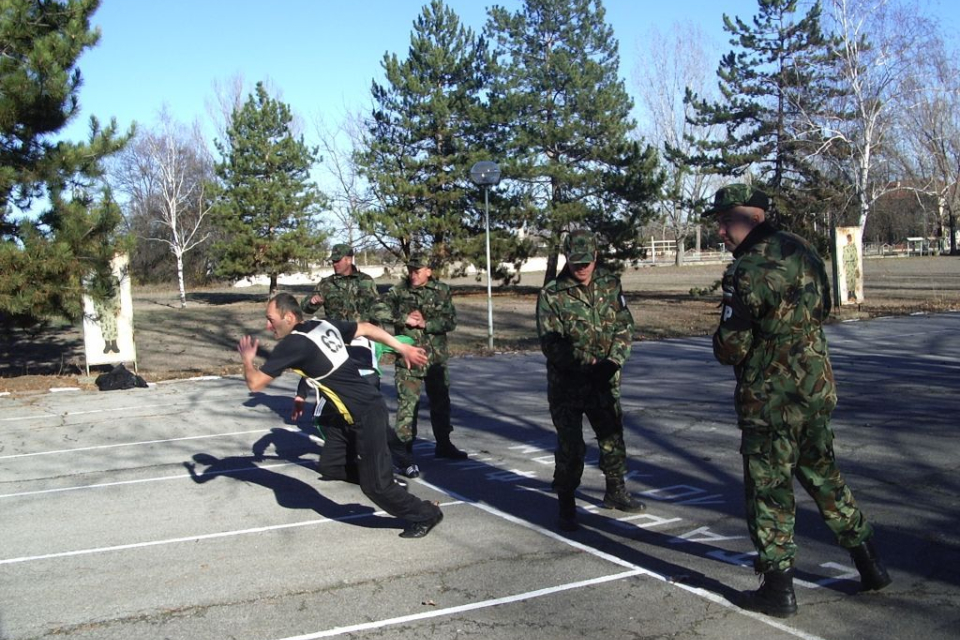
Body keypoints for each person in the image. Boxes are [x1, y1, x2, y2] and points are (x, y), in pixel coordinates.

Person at [706, 183, 891, 617]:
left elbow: (730, 347)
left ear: (748, 218)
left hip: (770, 400)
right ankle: (870, 565)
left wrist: (725, 339)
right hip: (813, 387)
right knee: (825, 477)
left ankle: (777, 589)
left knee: (770, 492)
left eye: (723, 222)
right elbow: (824, 307)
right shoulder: (803, 249)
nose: (720, 233)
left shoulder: (747, 269)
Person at [237, 292, 443, 538]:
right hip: (345, 414)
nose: (267, 326)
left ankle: (426, 514)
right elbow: (366, 328)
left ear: (289, 317)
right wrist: (401, 347)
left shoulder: (292, 344)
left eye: (271, 319)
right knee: (331, 465)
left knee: (375, 488)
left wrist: (248, 360)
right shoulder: (321, 324)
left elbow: (255, 383)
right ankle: (383, 479)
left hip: (365, 412)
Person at [535, 230, 646, 533]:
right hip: (567, 385)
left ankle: (616, 490)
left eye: (586, 261)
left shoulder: (610, 284)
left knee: (612, 438)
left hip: (604, 381)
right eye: (575, 262)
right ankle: (566, 503)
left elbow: (625, 325)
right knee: (571, 447)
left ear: (596, 256)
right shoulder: (552, 294)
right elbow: (552, 344)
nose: (581, 268)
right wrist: (589, 363)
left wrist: (614, 361)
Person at [378, 252, 467, 477]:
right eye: (410, 270)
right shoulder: (399, 291)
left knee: (441, 403)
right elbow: (377, 309)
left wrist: (426, 323)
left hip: (435, 358)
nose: (413, 274)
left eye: (417, 270)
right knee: (408, 406)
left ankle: (444, 444)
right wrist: (404, 318)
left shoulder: (442, 290)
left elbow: (451, 320)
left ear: (429, 270)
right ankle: (404, 453)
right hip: (408, 358)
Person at [301, 243, 381, 321]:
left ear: (349, 260)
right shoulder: (326, 284)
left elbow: (377, 309)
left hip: (363, 331)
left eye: (338, 260)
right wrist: (312, 303)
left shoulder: (366, 281)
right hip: (337, 332)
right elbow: (305, 308)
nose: (335, 264)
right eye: (333, 261)